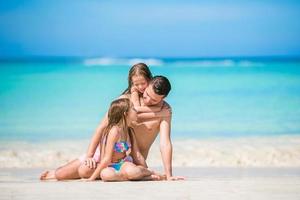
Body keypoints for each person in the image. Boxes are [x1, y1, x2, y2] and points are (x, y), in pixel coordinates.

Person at [40, 63, 170, 181]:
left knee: (108, 172)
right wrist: (89, 156)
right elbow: (101, 128)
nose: (141, 88)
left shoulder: (165, 109)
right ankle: (57, 173)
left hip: (128, 160)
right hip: (106, 153)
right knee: (63, 174)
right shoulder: (125, 103)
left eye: (143, 83)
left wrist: (168, 174)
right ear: (131, 84)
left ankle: (116, 174)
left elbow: (165, 143)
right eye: (137, 85)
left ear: (150, 80)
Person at [87, 98, 159, 181]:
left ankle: (148, 174)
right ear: (125, 113)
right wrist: (91, 178)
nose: (136, 111)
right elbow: (107, 158)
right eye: (133, 108)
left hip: (124, 164)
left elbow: (137, 155)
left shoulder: (129, 130)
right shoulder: (114, 131)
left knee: (134, 172)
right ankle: (140, 177)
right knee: (105, 175)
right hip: (110, 166)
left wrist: (146, 169)